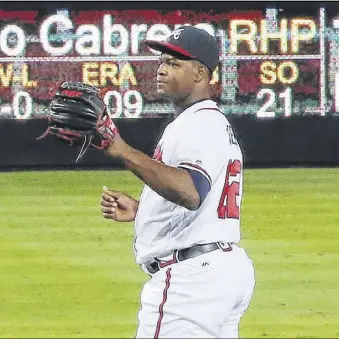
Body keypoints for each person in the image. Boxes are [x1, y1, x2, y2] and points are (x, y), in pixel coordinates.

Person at [99, 26, 256, 338]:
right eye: (162, 61)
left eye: (174, 63)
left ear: (200, 73)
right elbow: (205, 196)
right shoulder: (208, 122)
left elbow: (190, 192)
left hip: (191, 284)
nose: (161, 69)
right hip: (217, 270)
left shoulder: (200, 123)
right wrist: (145, 208)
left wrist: (120, 149)